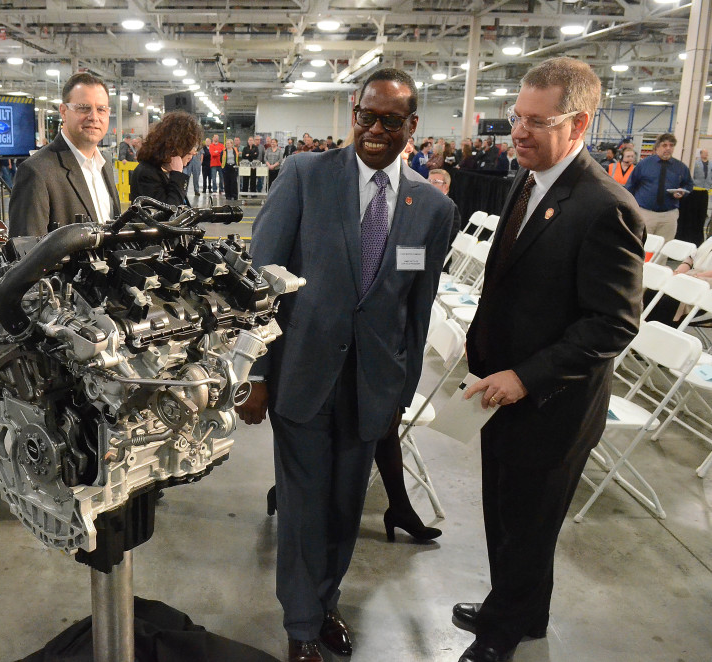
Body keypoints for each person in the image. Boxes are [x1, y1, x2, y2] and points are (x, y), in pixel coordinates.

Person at [237, 68, 457, 662]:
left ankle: (325, 600)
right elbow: (260, 286)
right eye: (367, 115)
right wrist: (254, 374)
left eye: (391, 120)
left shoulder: (432, 207)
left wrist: (401, 392)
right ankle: (301, 626)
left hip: (372, 386)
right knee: (305, 507)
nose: (376, 129)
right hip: (302, 376)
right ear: (352, 115)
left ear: (412, 127)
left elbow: (418, 308)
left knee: (344, 506)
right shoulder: (306, 176)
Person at [457, 57, 644, 662]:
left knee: (527, 529)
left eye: (537, 121)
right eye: (517, 116)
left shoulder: (604, 206)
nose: (518, 131)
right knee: (506, 518)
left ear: (580, 122)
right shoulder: (527, 181)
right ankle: (521, 612)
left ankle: (498, 636)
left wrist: (525, 378)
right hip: (502, 391)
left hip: (551, 403)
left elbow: (612, 323)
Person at [8, 72, 121, 236]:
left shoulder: (105, 165)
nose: (94, 117)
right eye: (83, 108)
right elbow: (26, 252)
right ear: (63, 111)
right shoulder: (36, 171)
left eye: (101, 109)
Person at [625, 132, 694, 241]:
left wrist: (683, 192)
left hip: (669, 215)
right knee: (641, 245)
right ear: (657, 147)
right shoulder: (644, 165)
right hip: (646, 213)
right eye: (664, 145)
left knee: (664, 249)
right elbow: (630, 186)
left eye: (671, 145)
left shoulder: (680, 167)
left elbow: (689, 184)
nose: (668, 148)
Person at [129, 111, 203, 206]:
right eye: (190, 146)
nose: (194, 152)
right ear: (174, 145)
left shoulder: (162, 171)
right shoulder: (147, 174)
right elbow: (169, 213)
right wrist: (177, 176)